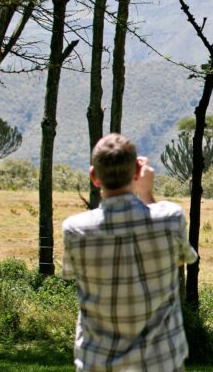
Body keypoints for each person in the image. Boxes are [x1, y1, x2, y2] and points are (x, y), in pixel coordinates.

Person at [62, 133, 198, 372]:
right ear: (137, 171)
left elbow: (71, 273)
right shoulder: (170, 218)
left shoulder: (75, 230)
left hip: (98, 363)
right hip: (161, 362)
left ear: (94, 176)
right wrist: (146, 194)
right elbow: (181, 259)